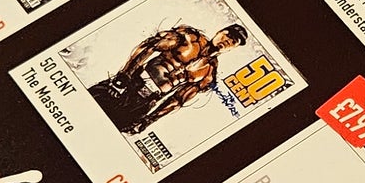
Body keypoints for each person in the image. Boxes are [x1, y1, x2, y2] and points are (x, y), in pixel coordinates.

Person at [89, 22, 247, 135]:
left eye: (233, 42)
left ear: (233, 48)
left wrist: (149, 120)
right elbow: (150, 45)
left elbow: (178, 99)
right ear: (220, 31)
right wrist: (123, 77)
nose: (227, 41)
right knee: (86, 105)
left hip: (144, 103)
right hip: (129, 84)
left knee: (107, 135)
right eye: (228, 35)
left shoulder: (209, 73)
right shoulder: (190, 38)